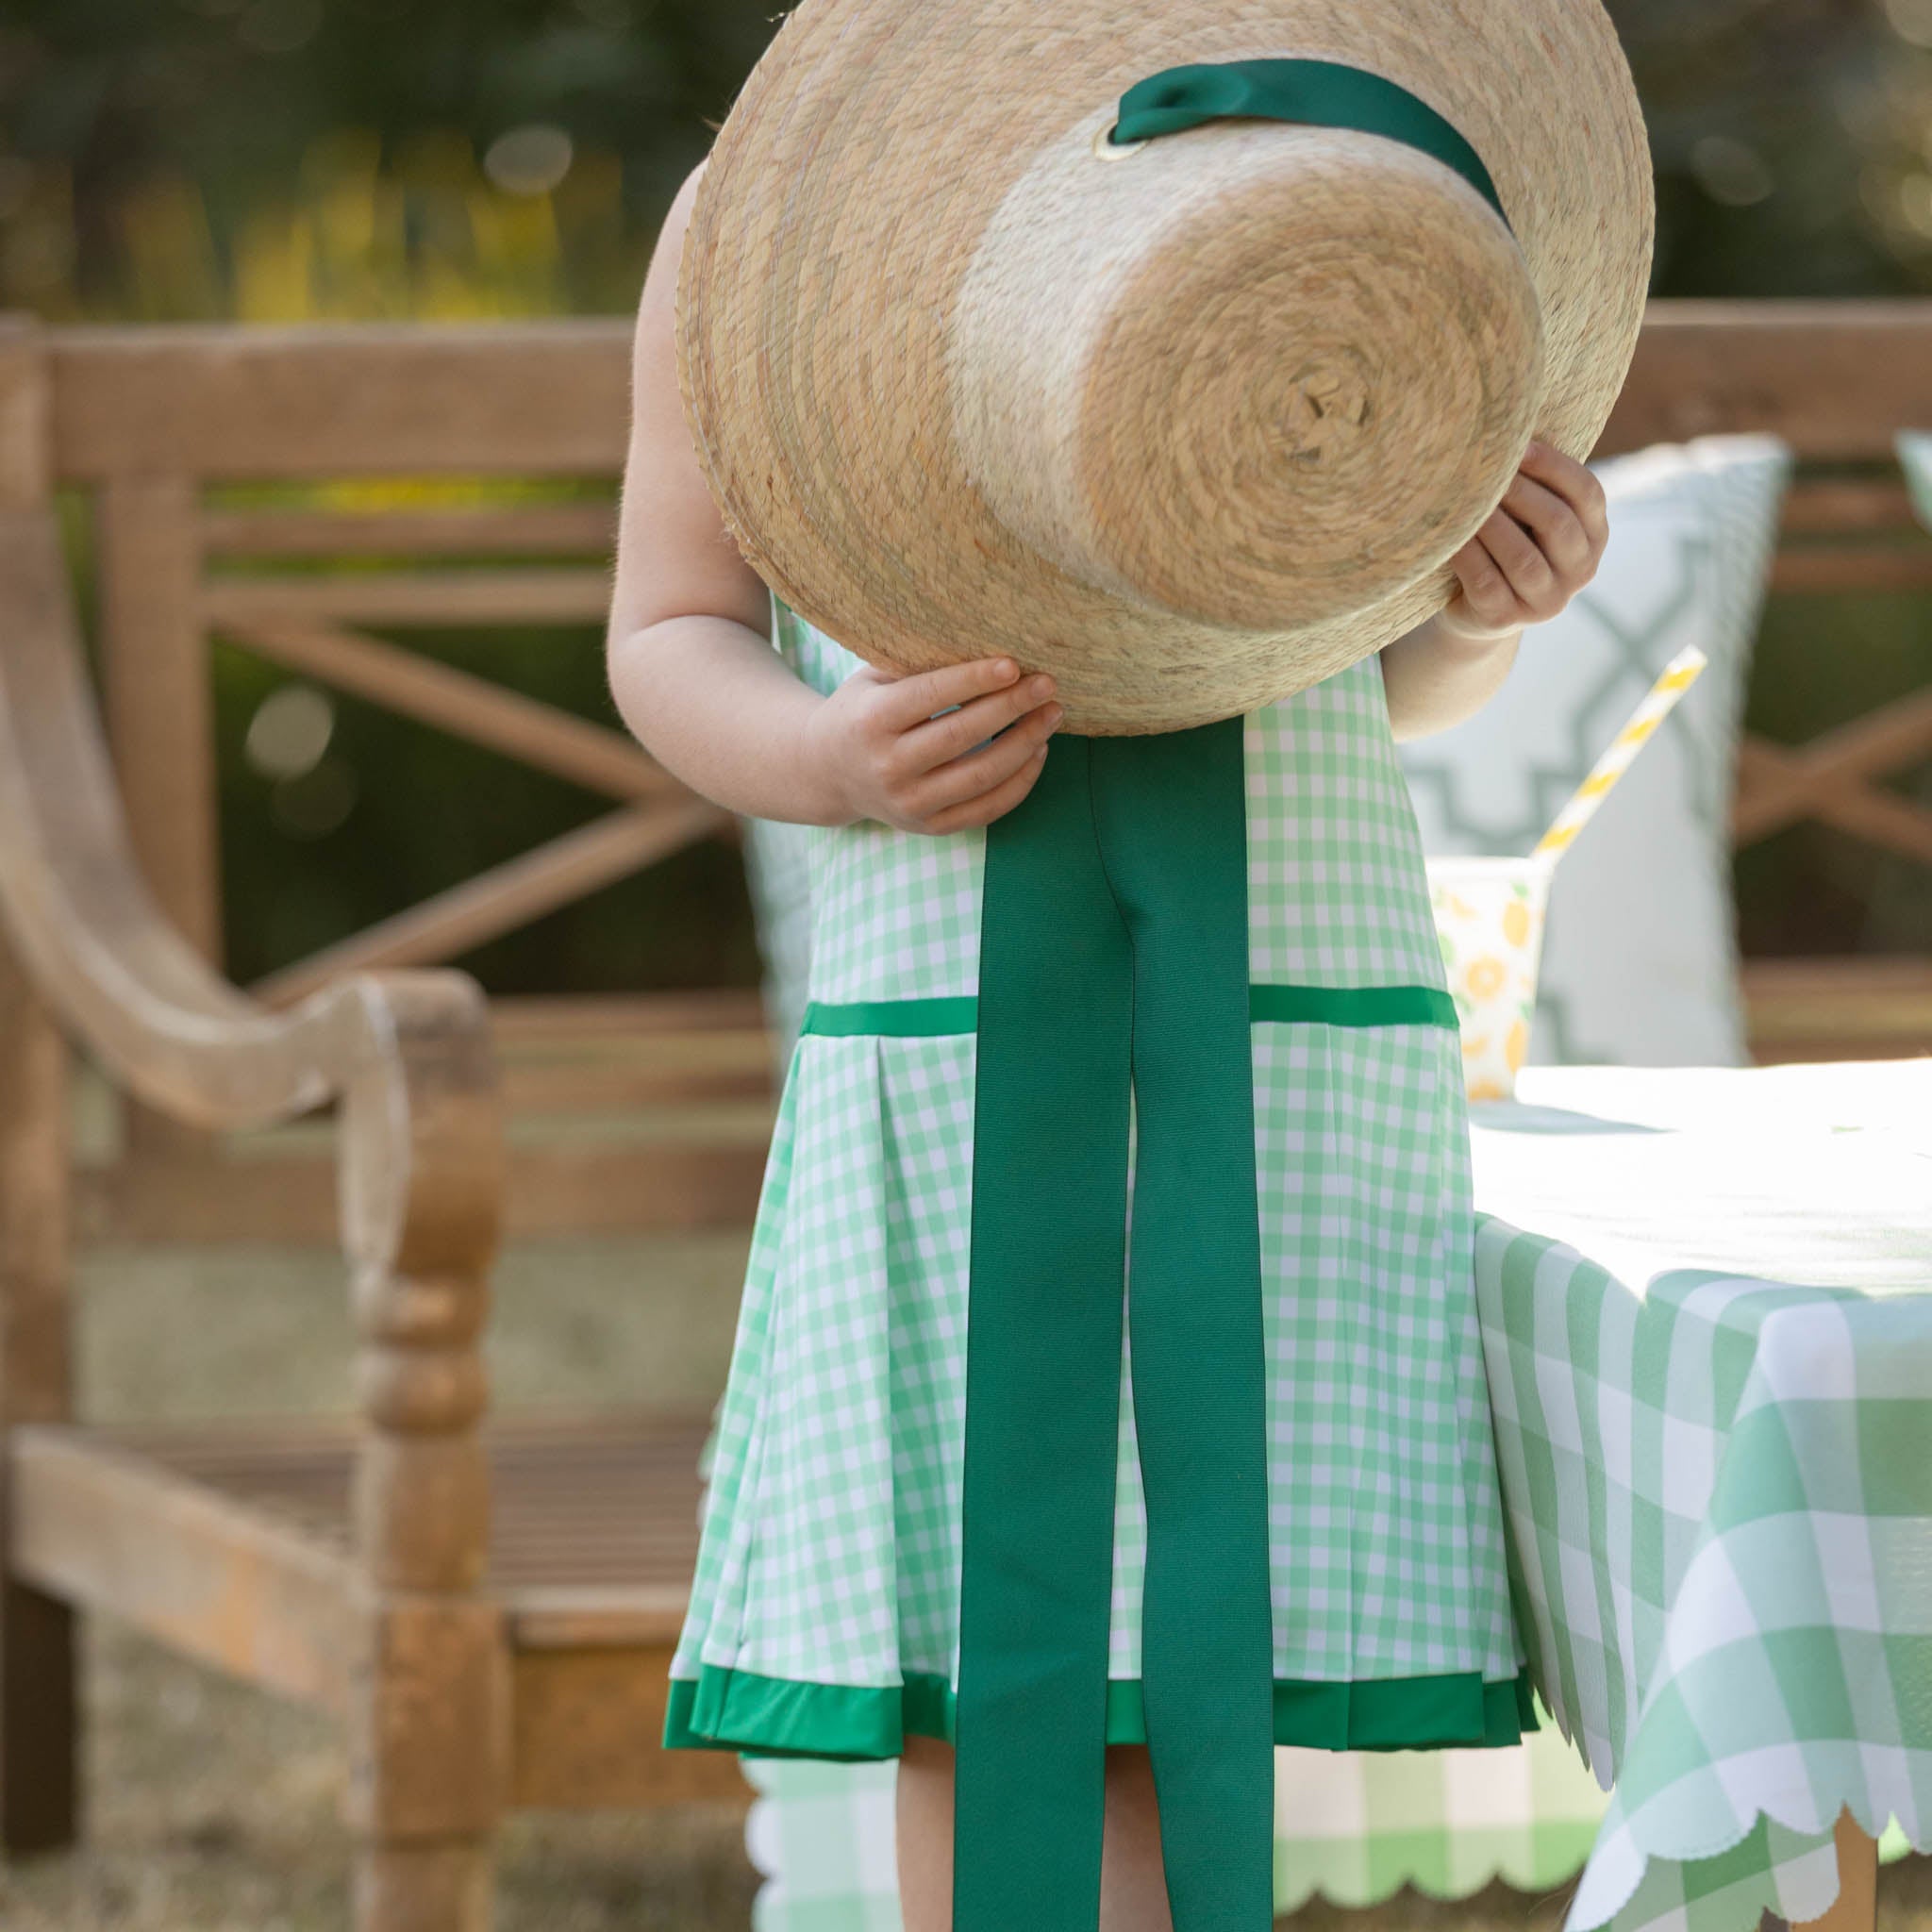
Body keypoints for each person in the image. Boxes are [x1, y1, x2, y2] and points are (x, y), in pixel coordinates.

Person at [607, 159, 1609, 1932]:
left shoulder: (1319, 196)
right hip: (961, 1045)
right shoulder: (776, 212)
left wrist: (1476, 610)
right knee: (983, 1676)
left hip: (1275, 1028)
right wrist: (823, 759)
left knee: (1194, 1666)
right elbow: (670, 624)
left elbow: (1373, 672)